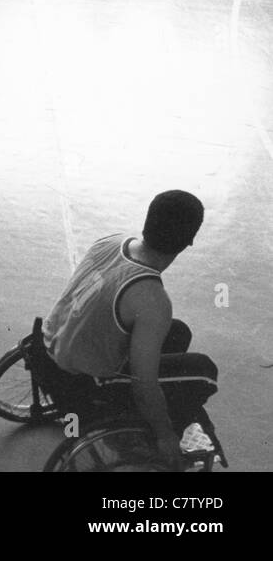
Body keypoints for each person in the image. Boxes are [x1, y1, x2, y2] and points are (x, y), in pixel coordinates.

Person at [43, 191, 219, 469]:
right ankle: (142, 433)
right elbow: (143, 385)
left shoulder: (112, 242)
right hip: (87, 383)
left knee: (177, 332)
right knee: (204, 372)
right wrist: (165, 435)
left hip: (53, 343)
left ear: (149, 221)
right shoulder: (152, 299)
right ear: (189, 240)